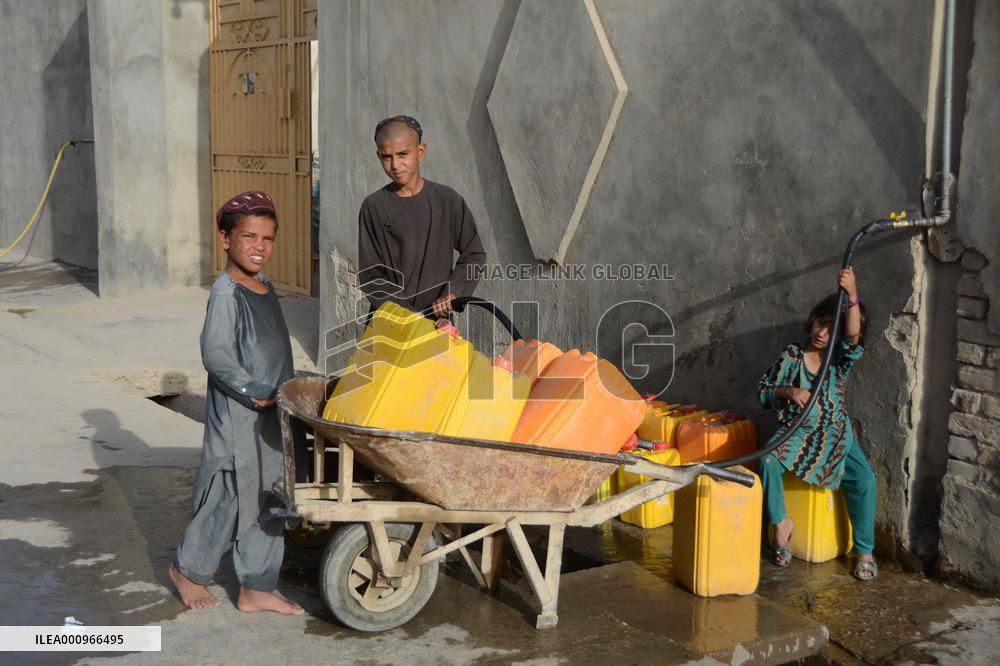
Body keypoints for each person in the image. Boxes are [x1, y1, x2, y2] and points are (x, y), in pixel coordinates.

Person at [168, 191, 304, 614]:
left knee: (269, 493)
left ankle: (256, 586)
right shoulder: (226, 293)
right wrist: (251, 390)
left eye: (268, 238)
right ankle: (188, 571)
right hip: (238, 414)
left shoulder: (264, 286)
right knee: (228, 494)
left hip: (270, 413)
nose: (260, 246)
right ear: (225, 239)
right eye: (249, 236)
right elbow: (217, 355)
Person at [757, 267, 878, 581]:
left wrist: (852, 294)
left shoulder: (839, 357)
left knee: (864, 480)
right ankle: (781, 525)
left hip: (835, 433)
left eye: (831, 328)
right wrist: (789, 391)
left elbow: (853, 333)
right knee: (767, 460)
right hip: (798, 432)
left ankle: (864, 552)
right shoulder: (792, 357)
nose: (823, 332)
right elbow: (762, 393)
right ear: (812, 320)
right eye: (821, 323)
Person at [357, 115, 485, 319]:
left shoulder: (447, 201)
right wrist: (403, 314)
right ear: (379, 156)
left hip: (436, 322)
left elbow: (474, 254)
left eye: (403, 154)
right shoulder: (374, 206)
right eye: (386, 157)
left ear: (420, 152)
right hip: (392, 323)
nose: (395, 165)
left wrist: (453, 292)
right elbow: (371, 275)